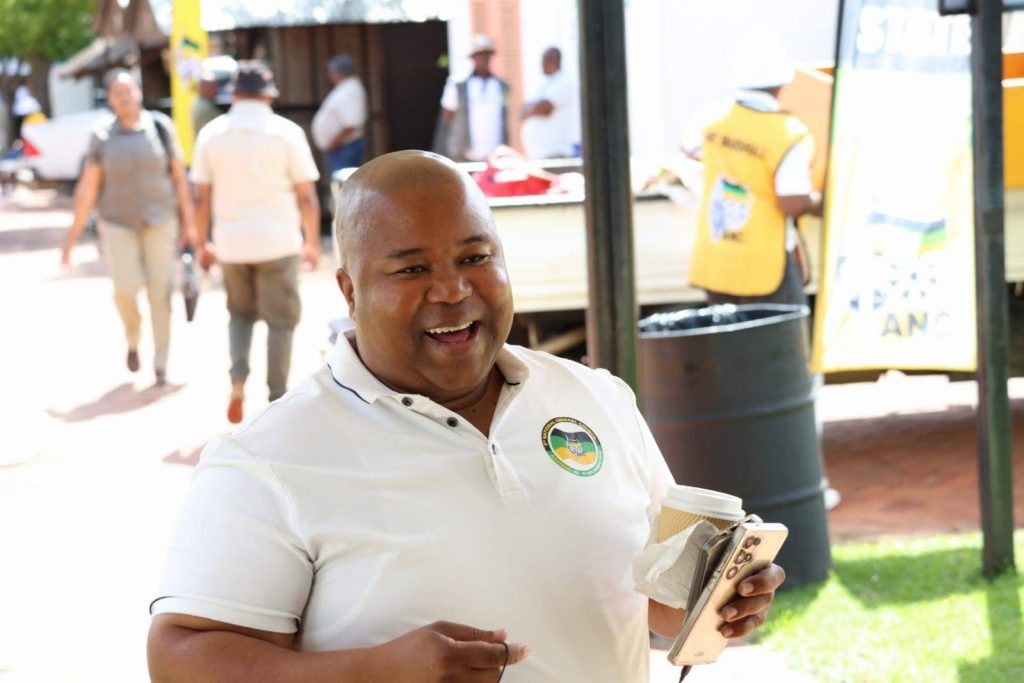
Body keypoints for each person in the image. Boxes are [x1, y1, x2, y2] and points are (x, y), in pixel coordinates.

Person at [147, 150, 785, 682]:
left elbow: (656, 602)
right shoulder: (268, 459)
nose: (453, 289)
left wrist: (719, 600)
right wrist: (370, 673)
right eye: (413, 268)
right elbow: (180, 656)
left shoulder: (597, 398)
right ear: (349, 289)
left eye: (475, 258)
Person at [190, 62, 321, 424]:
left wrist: (202, 243)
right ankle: (277, 397)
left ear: (233, 94)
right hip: (278, 242)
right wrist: (312, 241)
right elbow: (306, 195)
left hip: (231, 244)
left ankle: (237, 381)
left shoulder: (212, 134)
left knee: (240, 315)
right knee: (281, 322)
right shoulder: (287, 133)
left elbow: (201, 198)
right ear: (268, 95)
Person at [61, 70, 195, 385]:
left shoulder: (160, 128)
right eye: (117, 93)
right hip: (117, 223)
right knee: (124, 290)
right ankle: (133, 338)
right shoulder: (102, 135)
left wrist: (190, 225)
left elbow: (179, 178)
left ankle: (161, 362)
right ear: (109, 99)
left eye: (129, 90)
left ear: (139, 92)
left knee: (161, 291)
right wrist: (72, 236)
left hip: (161, 220)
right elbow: (89, 187)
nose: (124, 97)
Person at [685, 37, 822, 306]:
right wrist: (820, 202)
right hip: (764, 267)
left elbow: (687, 149)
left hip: (717, 261)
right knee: (782, 333)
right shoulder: (787, 133)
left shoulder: (711, 118)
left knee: (726, 334)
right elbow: (792, 202)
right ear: (782, 84)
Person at [438, 35, 510, 161]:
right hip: (465, 152)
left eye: (486, 55)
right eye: (480, 55)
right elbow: (448, 115)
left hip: (495, 154)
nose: (483, 59)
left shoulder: (501, 85)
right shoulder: (458, 84)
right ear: (473, 58)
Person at [311, 54, 368, 174]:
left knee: (345, 181)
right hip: (341, 147)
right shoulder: (345, 88)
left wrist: (334, 143)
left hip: (344, 147)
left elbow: (351, 124)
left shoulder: (350, 90)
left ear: (337, 72)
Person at [520, 47, 580, 159]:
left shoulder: (564, 82)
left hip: (556, 153)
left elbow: (544, 108)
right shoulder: (543, 85)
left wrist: (532, 108)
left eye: (545, 60)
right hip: (539, 155)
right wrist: (533, 108)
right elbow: (522, 111)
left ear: (553, 60)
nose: (542, 64)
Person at [190, 70, 222, 140]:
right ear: (205, 88)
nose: (216, 90)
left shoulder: (198, 104)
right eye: (213, 87)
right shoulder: (205, 107)